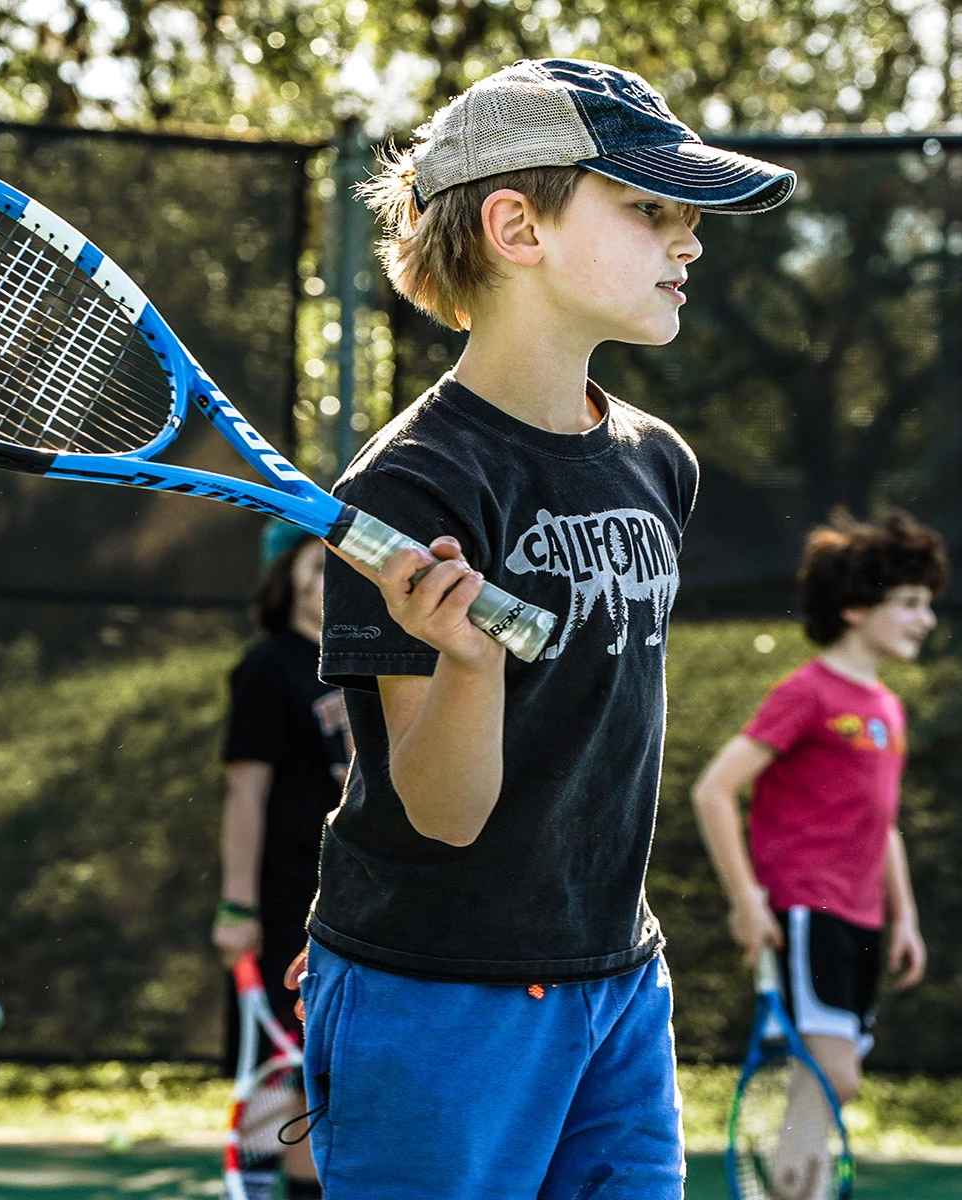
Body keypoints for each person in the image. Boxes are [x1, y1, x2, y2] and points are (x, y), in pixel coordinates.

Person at [287, 58, 795, 1199]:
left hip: (618, 979)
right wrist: (466, 663)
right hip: (438, 991)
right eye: (651, 209)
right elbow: (444, 813)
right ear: (518, 226)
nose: (691, 242)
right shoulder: (412, 489)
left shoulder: (660, 462)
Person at [692, 509, 944, 1191]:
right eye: (911, 603)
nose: (926, 619)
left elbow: (881, 820)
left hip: (863, 921)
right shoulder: (805, 693)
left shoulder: (887, 708)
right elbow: (714, 790)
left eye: (929, 605)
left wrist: (907, 917)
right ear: (858, 607)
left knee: (820, 1088)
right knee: (836, 1076)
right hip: (807, 911)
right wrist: (748, 902)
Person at [214, 519, 348, 1199]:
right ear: (286, 581)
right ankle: (278, 1186)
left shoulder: (377, 664)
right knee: (293, 1066)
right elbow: (245, 791)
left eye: (343, 569)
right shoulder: (269, 666)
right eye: (318, 569)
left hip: (361, 901)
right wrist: (239, 905)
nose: (333, 583)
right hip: (289, 896)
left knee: (336, 1067)